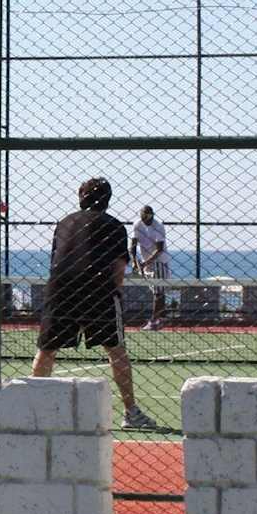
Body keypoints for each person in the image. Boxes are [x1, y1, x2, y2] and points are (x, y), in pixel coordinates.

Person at [32, 176, 153, 429]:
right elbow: (118, 269)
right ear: (107, 200)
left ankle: (33, 408)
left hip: (60, 290)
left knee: (47, 350)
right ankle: (131, 412)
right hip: (98, 291)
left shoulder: (64, 223)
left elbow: (57, 260)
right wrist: (115, 294)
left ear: (81, 197)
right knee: (116, 350)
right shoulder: (114, 226)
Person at [131, 205, 168, 328]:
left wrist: (145, 262)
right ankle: (161, 318)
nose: (147, 220)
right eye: (144, 217)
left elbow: (159, 249)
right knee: (157, 291)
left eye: (149, 217)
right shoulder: (137, 225)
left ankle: (154, 320)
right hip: (145, 261)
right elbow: (133, 245)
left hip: (159, 261)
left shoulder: (158, 226)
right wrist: (134, 261)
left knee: (158, 291)